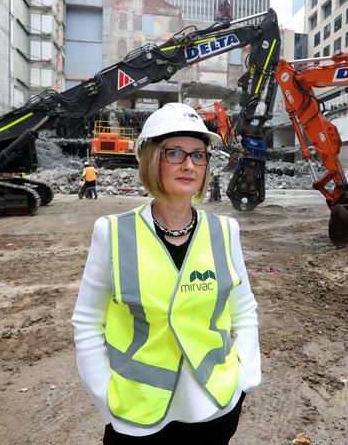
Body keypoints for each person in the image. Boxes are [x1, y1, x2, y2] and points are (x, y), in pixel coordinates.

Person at [72, 103, 260, 443]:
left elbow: (243, 312)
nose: (189, 164)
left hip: (214, 407)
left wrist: (245, 379)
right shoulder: (112, 233)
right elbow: (87, 322)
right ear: (151, 158)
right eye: (174, 153)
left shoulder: (225, 231)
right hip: (137, 415)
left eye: (198, 155)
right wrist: (106, 398)